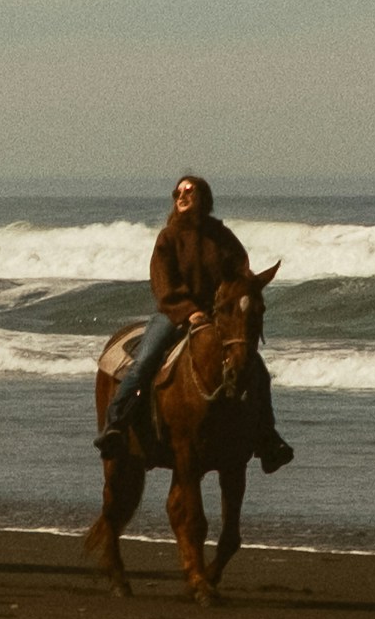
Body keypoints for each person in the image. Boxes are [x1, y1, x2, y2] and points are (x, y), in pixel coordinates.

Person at [112, 170, 292, 466]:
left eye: (189, 192)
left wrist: (242, 289)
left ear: (202, 198)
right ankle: (116, 423)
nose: (181, 197)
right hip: (174, 314)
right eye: (178, 193)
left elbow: (238, 272)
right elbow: (162, 284)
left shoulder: (221, 237)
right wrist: (188, 312)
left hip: (216, 316)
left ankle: (267, 436)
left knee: (256, 368)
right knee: (145, 361)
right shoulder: (168, 238)